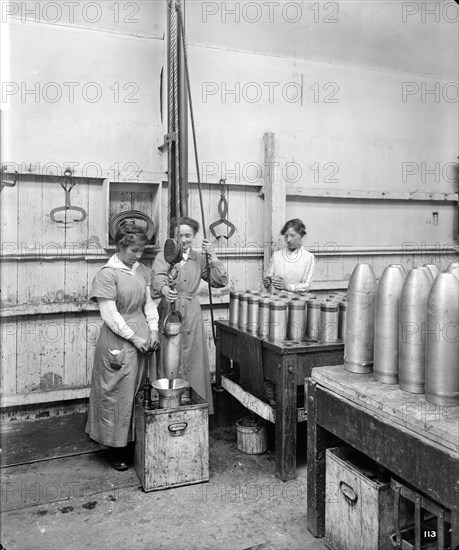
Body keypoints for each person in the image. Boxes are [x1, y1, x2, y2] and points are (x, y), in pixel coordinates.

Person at [86, 224, 159, 471]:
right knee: (116, 393)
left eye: (141, 250)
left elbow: (148, 304)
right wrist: (135, 338)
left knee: (138, 390)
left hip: (141, 335)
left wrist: (154, 330)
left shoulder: (141, 270)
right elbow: (110, 314)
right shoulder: (107, 274)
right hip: (119, 339)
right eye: (134, 251)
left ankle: (132, 440)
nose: (138, 255)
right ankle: (114, 448)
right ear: (120, 247)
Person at [153, 217, 228, 414]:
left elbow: (220, 282)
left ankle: (195, 407)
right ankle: (166, 406)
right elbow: (158, 277)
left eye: (188, 235)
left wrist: (213, 256)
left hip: (192, 313)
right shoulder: (164, 256)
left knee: (193, 357)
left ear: (194, 237)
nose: (184, 240)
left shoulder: (199, 258)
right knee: (168, 356)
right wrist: (163, 289)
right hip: (170, 310)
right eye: (180, 235)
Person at [263, 218, 315, 293]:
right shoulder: (276, 255)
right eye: (286, 236)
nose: (288, 239)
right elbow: (269, 277)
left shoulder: (308, 257)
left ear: (301, 236)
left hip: (297, 301)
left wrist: (288, 287)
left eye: (292, 235)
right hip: (276, 301)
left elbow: (306, 285)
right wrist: (267, 282)